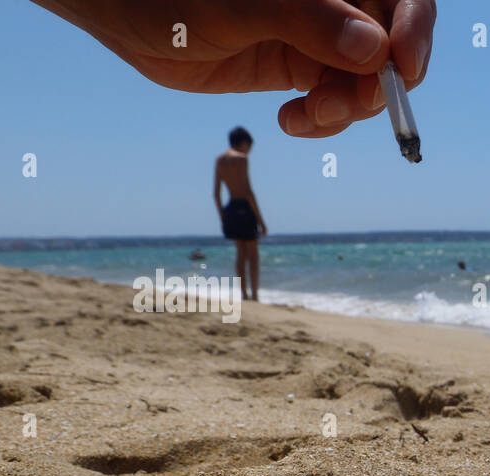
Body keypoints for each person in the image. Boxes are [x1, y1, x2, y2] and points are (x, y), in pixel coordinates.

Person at [30, 0, 436, 139]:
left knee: (244, 249)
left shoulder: (230, 158)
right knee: (248, 247)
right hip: (240, 212)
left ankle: (250, 293)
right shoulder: (236, 158)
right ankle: (252, 292)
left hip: (232, 211)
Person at [215, 127, 267, 300]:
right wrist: (261, 221)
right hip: (245, 207)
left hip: (230, 207)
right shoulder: (242, 159)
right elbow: (247, 191)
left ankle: (243, 294)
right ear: (244, 143)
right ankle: (255, 294)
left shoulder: (220, 160)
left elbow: (216, 194)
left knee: (240, 254)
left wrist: (223, 217)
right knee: (253, 254)